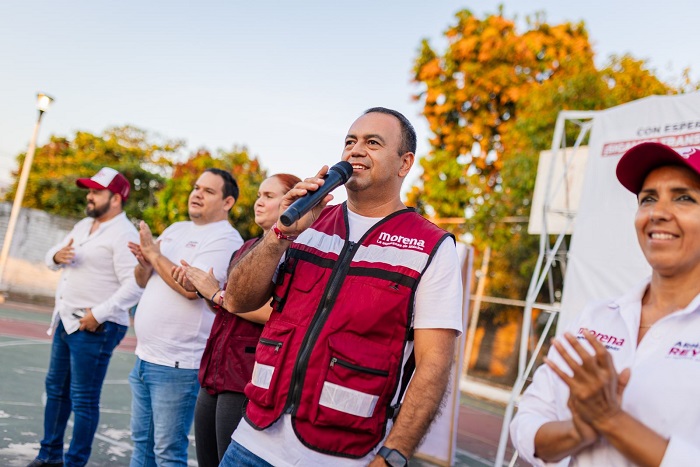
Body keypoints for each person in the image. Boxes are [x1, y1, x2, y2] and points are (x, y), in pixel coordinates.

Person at [220, 107, 464, 467]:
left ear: (404, 163)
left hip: (344, 456)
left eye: (373, 142)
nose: (355, 150)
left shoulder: (431, 245)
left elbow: (435, 363)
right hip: (253, 442)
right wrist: (280, 235)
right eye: (350, 141)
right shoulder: (306, 223)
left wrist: (393, 456)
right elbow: (238, 301)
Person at [510, 142, 700, 466]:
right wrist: (578, 430)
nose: (658, 213)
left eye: (684, 198)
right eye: (648, 199)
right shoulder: (597, 318)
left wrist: (610, 420)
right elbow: (527, 424)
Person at [171, 173, 301, 467]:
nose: (259, 202)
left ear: (294, 201)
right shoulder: (246, 247)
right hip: (214, 369)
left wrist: (216, 294)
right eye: (259, 195)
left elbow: (274, 311)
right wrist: (202, 288)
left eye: (269, 196)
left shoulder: (298, 251)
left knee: (227, 461)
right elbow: (224, 307)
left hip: (246, 375)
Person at [126, 168, 243, 467]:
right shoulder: (176, 229)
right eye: (195, 187)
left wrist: (154, 256)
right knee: (141, 444)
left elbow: (193, 289)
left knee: (167, 452)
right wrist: (145, 261)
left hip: (177, 365)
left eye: (208, 190)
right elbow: (142, 280)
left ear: (227, 202)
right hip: (145, 358)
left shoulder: (226, 239)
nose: (197, 194)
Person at [28, 168, 143, 467]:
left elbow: (134, 285)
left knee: (83, 399)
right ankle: (49, 455)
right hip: (68, 320)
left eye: (96, 192)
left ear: (116, 199)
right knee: (56, 391)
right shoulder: (83, 225)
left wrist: (98, 314)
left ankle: (74, 462)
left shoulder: (124, 234)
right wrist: (57, 257)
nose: (89, 197)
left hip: (96, 327)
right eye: (89, 191)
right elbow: (53, 253)